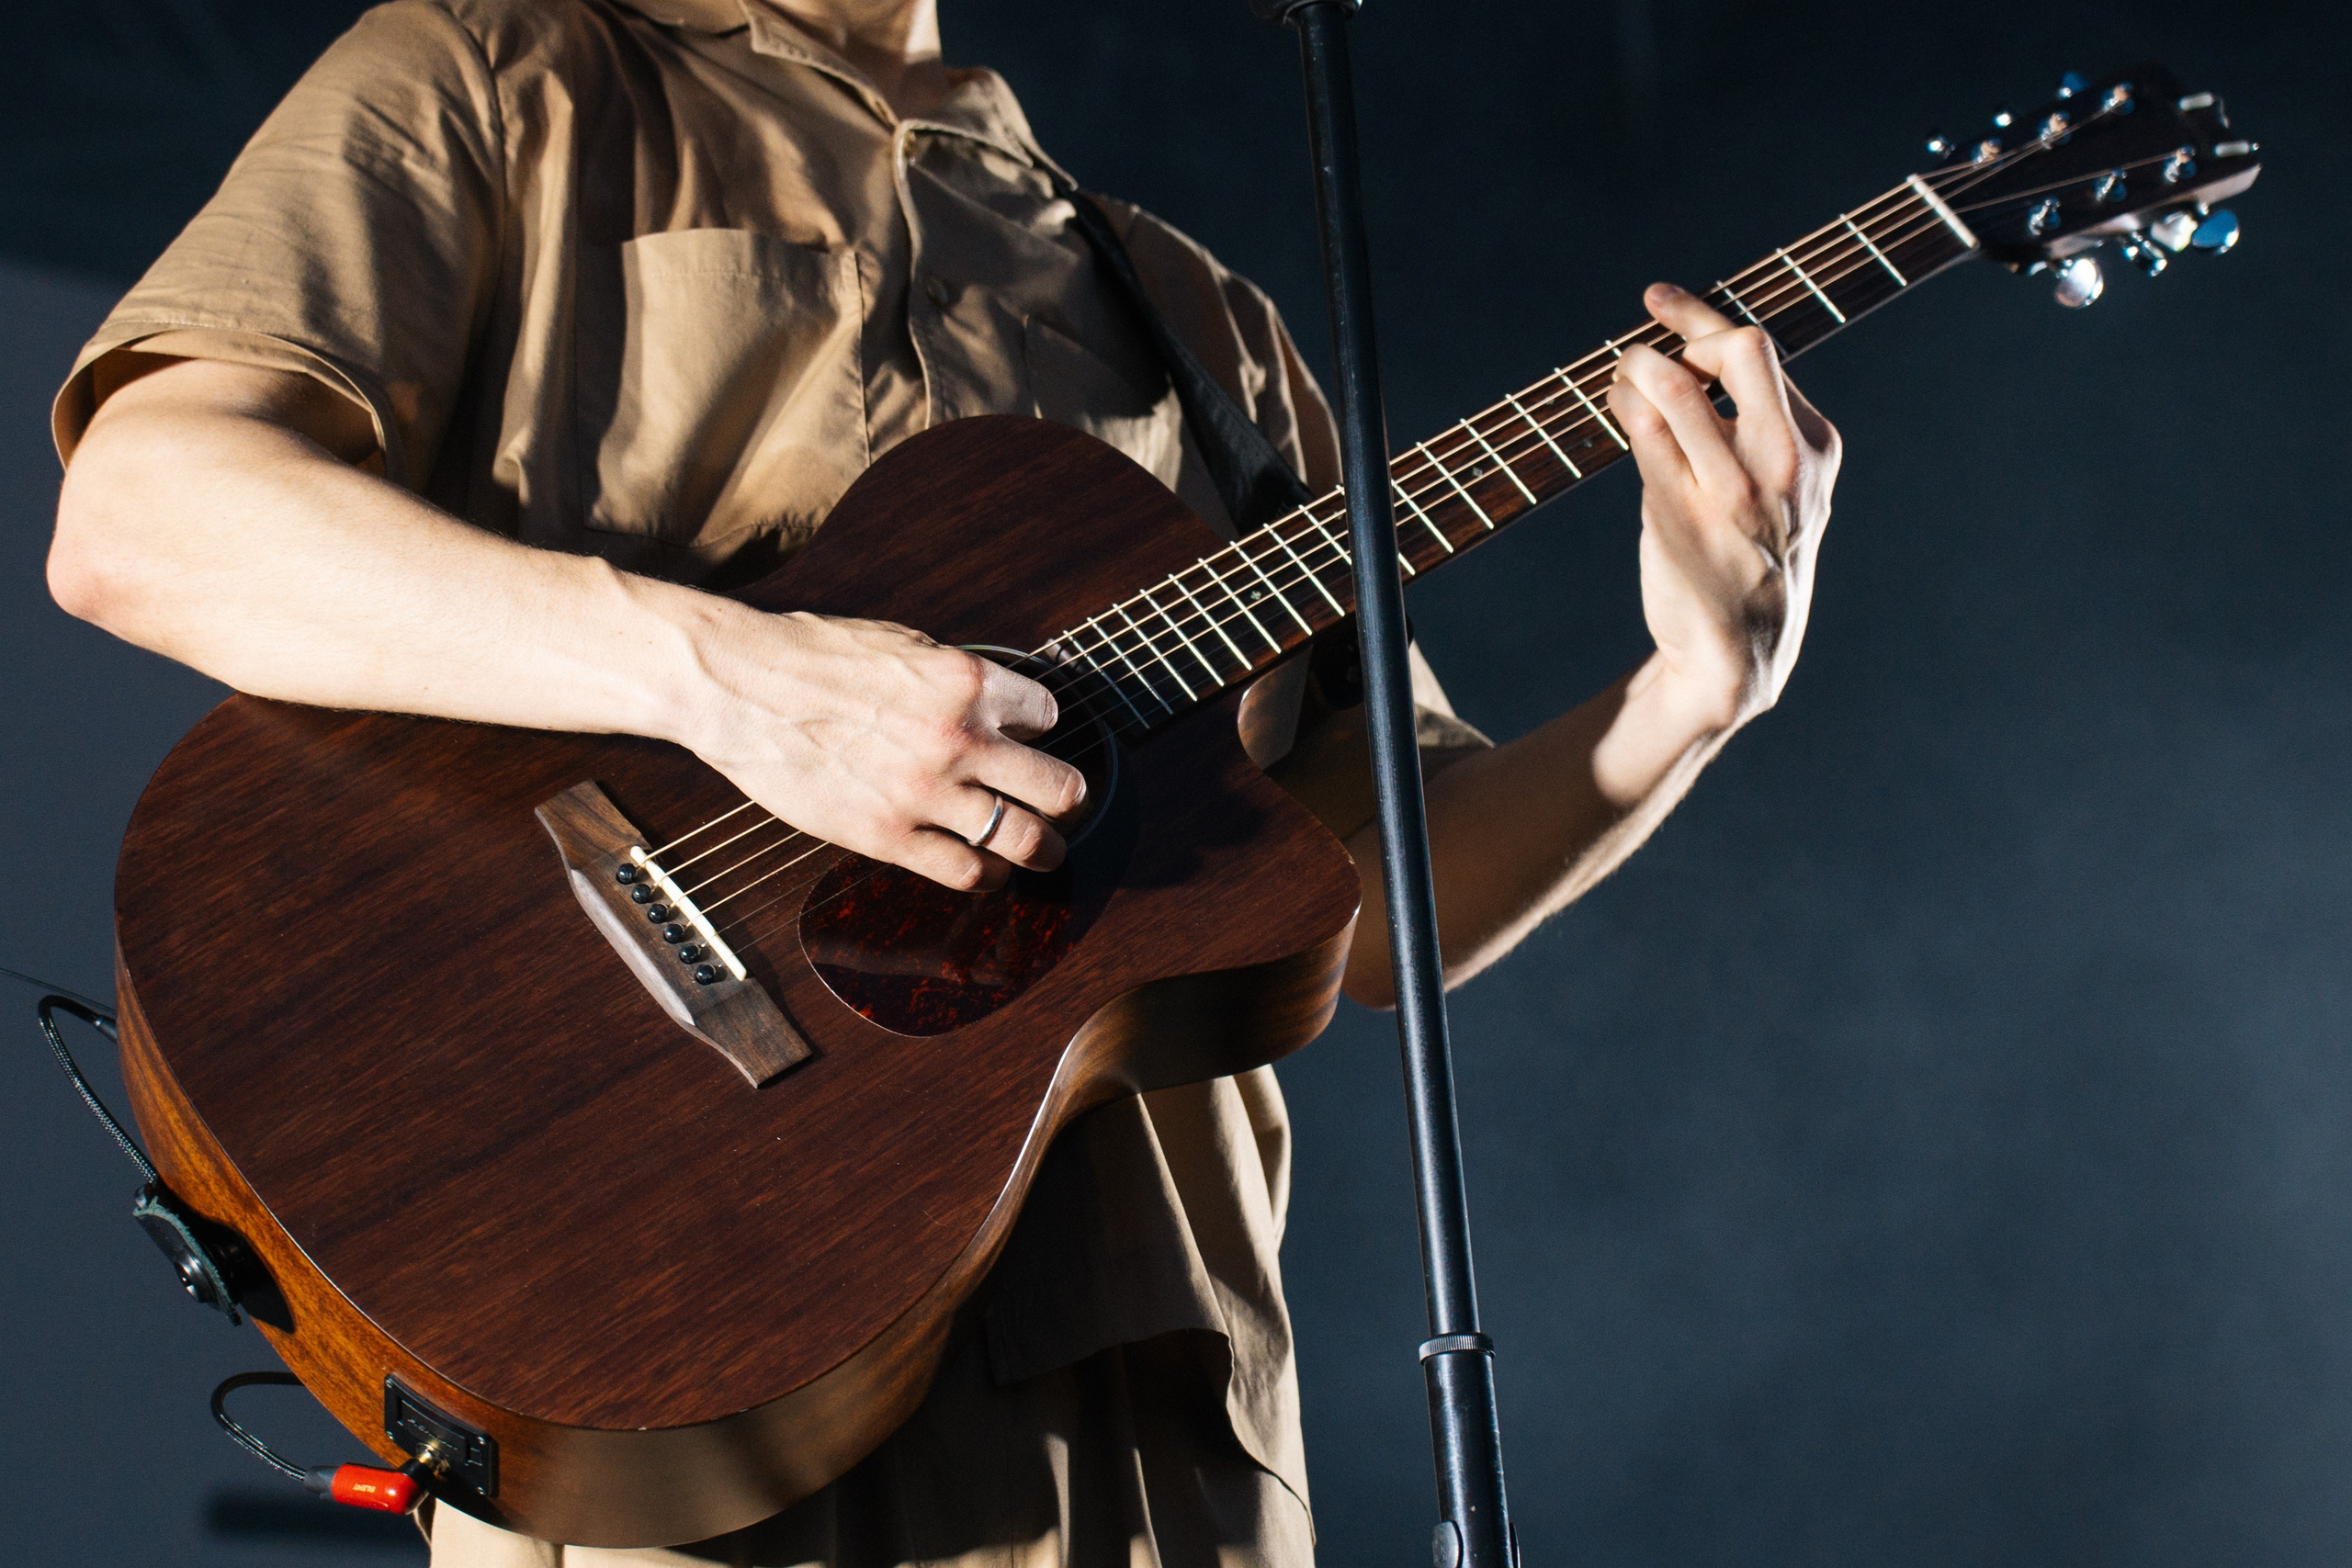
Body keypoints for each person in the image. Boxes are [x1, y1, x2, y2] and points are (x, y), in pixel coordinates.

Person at [44, 0, 1840, 1563]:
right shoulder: (497, 70)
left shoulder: (1201, 320)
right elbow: (150, 517)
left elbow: (1372, 903)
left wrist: (1695, 685)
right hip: (682, 1377)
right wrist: (724, 676)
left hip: (1165, 1426)